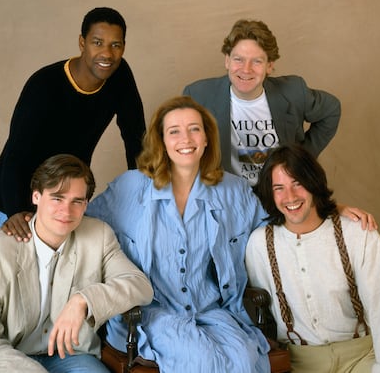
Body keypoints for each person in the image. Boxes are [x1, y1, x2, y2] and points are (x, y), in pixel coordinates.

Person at [87, 96, 272, 372]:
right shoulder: (130, 187)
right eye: (174, 131)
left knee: (246, 358)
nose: (186, 138)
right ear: (161, 141)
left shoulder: (232, 190)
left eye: (194, 129)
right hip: (153, 312)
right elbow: (82, 224)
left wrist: (331, 209)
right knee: (200, 359)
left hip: (213, 310)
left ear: (207, 138)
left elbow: (274, 230)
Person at [0, 154, 153, 373]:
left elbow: (140, 286)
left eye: (77, 201)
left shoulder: (99, 236)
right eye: (57, 198)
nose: (66, 210)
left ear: (86, 204)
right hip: (8, 358)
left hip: (72, 356)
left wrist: (83, 300)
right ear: (36, 197)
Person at [0, 6, 146, 230]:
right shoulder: (44, 85)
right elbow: (16, 155)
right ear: (82, 43)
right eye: (97, 42)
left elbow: (135, 138)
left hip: (68, 199)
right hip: (18, 197)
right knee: (26, 264)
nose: (107, 54)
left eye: (116, 45)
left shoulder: (119, 75)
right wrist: (15, 211)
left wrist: (144, 189)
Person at [246, 144, 380, 373]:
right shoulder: (259, 244)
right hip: (299, 363)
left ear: (313, 183)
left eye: (298, 183)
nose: (290, 196)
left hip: (362, 357)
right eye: (279, 188)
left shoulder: (357, 234)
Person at [183, 19, 341, 186]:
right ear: (227, 61)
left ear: (269, 66)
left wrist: (301, 159)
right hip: (226, 197)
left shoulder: (294, 92)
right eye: (238, 59)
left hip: (278, 196)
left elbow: (332, 109)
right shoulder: (198, 96)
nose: (246, 69)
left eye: (257, 61)